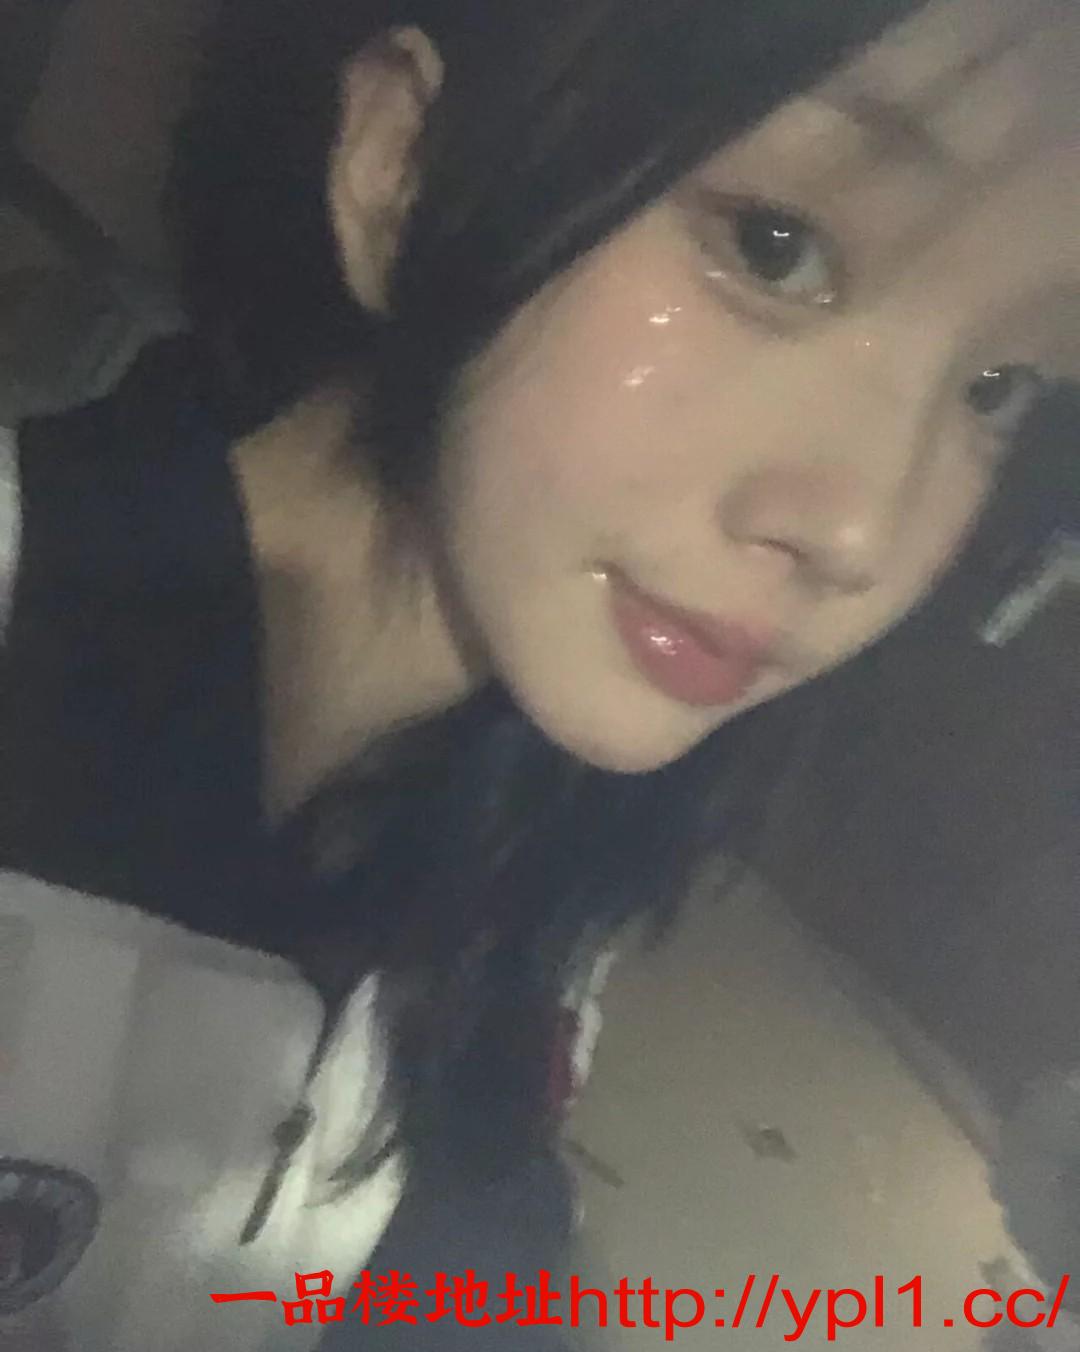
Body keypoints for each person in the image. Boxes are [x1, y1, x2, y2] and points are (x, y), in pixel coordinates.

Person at [1, 0, 1077, 1348]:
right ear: (402, 164)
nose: (864, 528)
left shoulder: (559, 823)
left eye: (999, 385)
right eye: (775, 245)